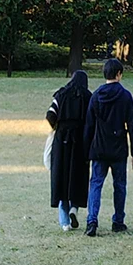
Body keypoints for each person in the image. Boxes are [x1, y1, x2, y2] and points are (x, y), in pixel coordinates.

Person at [83, 56, 133, 236]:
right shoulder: (125, 96)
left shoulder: (96, 96)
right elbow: (131, 125)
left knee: (96, 184)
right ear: (119, 74)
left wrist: (86, 151)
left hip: (99, 147)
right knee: (120, 185)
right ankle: (118, 220)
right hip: (118, 148)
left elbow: (89, 126)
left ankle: (92, 220)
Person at [45, 68, 91, 229]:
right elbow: (92, 121)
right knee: (77, 177)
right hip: (79, 141)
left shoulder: (61, 94)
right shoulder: (87, 97)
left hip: (62, 140)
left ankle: (64, 222)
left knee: (61, 177)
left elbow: (50, 115)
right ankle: (74, 208)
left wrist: (57, 128)